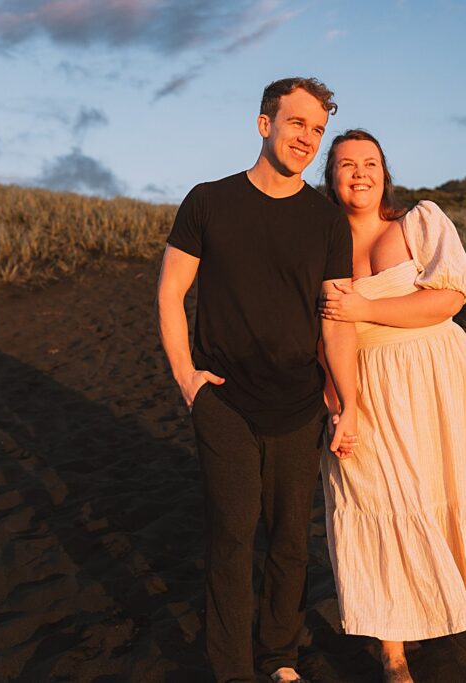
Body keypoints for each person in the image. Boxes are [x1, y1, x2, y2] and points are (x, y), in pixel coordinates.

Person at [156, 78, 359, 683]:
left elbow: (335, 317)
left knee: (292, 540)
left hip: (298, 402)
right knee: (233, 534)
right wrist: (187, 379)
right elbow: (170, 292)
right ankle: (232, 669)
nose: (307, 138)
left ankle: (279, 657)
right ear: (264, 124)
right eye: (298, 123)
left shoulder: (326, 222)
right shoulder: (208, 201)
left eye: (317, 130)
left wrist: (348, 401)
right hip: (224, 400)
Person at [318, 130, 466, 682]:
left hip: (433, 375)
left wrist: (366, 304)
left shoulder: (418, 223)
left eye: (370, 163)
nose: (359, 173)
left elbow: (449, 298)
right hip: (359, 380)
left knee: (436, 486)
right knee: (376, 498)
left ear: (385, 173)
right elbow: (322, 329)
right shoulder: (319, 241)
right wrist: (341, 402)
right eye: (346, 165)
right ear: (331, 176)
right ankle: (393, 650)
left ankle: (445, 602)